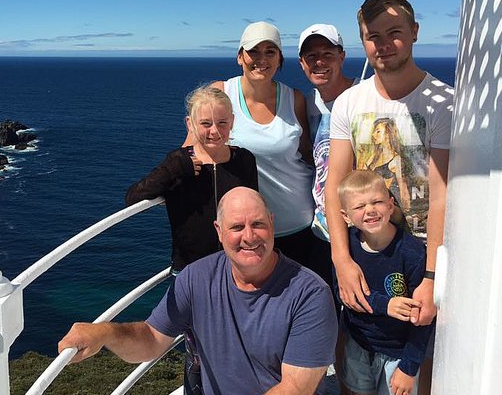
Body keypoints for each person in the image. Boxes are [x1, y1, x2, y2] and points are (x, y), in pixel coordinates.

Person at [58, 187, 338, 395]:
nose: (249, 237)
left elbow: (295, 389)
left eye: (258, 224)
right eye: (237, 227)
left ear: (272, 224)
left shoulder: (310, 294)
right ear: (218, 231)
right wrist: (105, 333)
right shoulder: (197, 277)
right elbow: (152, 339)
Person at [325, 0, 453, 394]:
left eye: (394, 32)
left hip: (417, 256)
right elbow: (335, 186)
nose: (383, 44)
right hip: (366, 248)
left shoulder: (442, 104)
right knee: (358, 339)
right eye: (372, 35)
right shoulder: (349, 102)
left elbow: (440, 193)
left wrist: (431, 276)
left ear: (414, 33)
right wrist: (342, 259)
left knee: (417, 354)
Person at [186, 21, 318, 274]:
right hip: (246, 231)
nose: (261, 59)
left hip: (298, 222)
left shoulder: (294, 98)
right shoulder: (222, 93)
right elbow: (191, 150)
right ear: (239, 57)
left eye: (270, 52)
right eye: (253, 51)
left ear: (280, 59)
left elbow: (308, 156)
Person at [126, 85, 258, 273]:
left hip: (236, 265)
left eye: (222, 123)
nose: (215, 131)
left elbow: (253, 208)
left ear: (232, 122)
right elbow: (133, 197)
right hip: (189, 268)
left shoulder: (244, 160)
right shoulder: (177, 162)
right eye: (206, 123)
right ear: (190, 124)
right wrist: (174, 170)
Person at [335, 170, 434, 395]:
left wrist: (409, 368)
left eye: (377, 202)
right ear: (346, 215)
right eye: (360, 207)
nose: (370, 210)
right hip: (358, 344)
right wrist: (385, 305)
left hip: (398, 354)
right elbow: (341, 292)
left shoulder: (413, 253)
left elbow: (424, 319)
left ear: (390, 206)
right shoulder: (345, 249)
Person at [298, 23, 357, 286]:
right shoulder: (307, 103)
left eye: (327, 54)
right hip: (321, 230)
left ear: (342, 56)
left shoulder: (363, 96)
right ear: (301, 63)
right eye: (311, 56)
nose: (319, 62)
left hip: (360, 227)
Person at [365, 118, 411, 212]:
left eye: (378, 131)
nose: (373, 135)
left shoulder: (396, 160)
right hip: (370, 206)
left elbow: (403, 187)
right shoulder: (374, 156)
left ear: (388, 134)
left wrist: (406, 211)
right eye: (374, 131)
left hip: (389, 208)